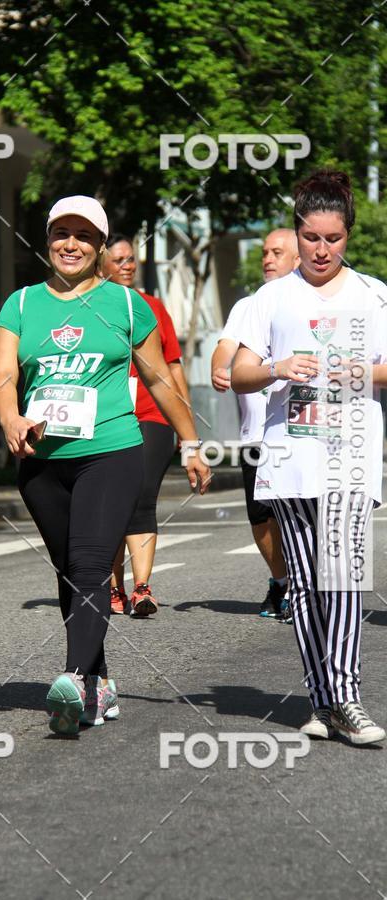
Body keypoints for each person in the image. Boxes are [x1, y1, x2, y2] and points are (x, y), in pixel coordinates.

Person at [0, 195, 210, 735]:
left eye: (84, 236)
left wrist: (190, 442)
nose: (71, 244)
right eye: (61, 233)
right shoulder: (20, 305)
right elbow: (2, 377)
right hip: (42, 462)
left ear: (100, 246)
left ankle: (71, 677)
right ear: (47, 241)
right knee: (70, 569)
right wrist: (11, 419)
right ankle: (99, 679)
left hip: (111, 451)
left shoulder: (128, 306)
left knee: (90, 564)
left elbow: (159, 378)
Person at [232, 169, 387, 745]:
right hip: (288, 457)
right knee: (304, 584)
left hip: (350, 457)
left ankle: (344, 696)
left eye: (334, 239)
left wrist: (363, 371)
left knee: (342, 575)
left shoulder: (374, 295)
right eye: (312, 237)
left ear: (348, 237)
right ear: (297, 234)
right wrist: (277, 367)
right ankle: (322, 697)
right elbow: (238, 373)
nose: (322, 250)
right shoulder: (270, 299)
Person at [211, 229, 299, 619]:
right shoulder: (248, 305)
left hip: (298, 433)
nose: (267, 258)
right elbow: (226, 346)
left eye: (277, 252)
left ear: (298, 259)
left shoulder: (308, 303)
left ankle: (305, 586)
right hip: (255, 436)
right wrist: (218, 366)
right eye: (264, 252)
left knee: (296, 513)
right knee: (260, 517)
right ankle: (281, 580)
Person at [101, 234, 190, 617]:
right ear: (101, 263)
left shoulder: (151, 306)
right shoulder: (90, 305)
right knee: (107, 504)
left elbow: (171, 366)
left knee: (141, 498)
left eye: (131, 259)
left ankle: (141, 588)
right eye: (119, 259)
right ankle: (112, 588)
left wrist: (187, 426)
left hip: (152, 417)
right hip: (107, 419)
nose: (128, 265)